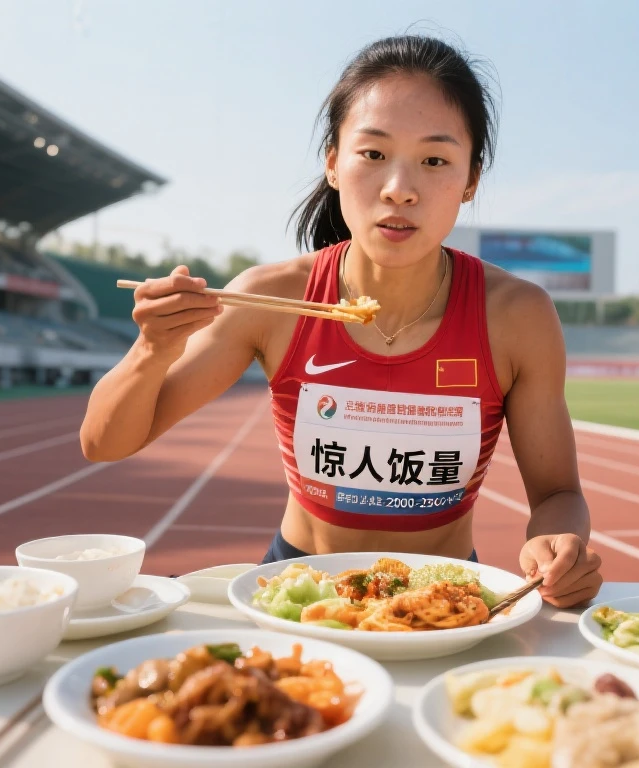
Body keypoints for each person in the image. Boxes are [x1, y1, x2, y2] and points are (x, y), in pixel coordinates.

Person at [80, 35, 603, 609]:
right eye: (373, 154)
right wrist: (152, 349)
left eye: (435, 161)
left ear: (471, 180)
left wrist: (558, 545)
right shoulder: (270, 297)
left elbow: (557, 494)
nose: (399, 189)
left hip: (446, 600)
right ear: (333, 162)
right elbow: (104, 442)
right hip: (298, 594)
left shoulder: (516, 315)